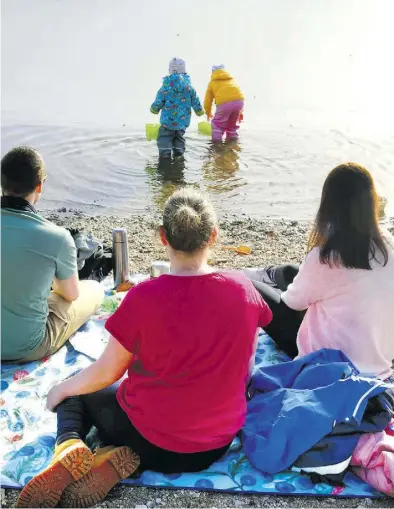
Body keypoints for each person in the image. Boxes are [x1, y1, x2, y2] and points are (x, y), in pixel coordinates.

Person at [17, 189, 272, 508]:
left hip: (150, 437)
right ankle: (112, 459)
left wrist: (59, 390)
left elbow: (106, 372)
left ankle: (69, 446)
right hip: (214, 446)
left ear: (163, 237)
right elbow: (246, 365)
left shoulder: (143, 298)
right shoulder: (242, 289)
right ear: (214, 236)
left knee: (77, 390)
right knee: (127, 408)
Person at [250, 163, 394, 380]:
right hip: (378, 361)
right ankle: (275, 275)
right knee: (292, 272)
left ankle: (254, 279)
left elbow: (292, 303)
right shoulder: (388, 244)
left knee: (256, 290)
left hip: (329, 365)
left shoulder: (327, 257)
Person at [1, 147, 104, 363]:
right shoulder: (56, 237)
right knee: (93, 289)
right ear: (39, 186)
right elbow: (70, 295)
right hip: (26, 347)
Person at [150, 57, 204, 159]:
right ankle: (179, 154)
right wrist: (199, 111)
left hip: (167, 123)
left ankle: (165, 155)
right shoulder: (189, 88)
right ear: (184, 71)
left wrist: (154, 109)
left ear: (170, 71)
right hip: (182, 123)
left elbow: (159, 101)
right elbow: (195, 101)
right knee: (179, 138)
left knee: (164, 138)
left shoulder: (166, 87)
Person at [204, 64, 244, 142]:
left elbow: (207, 101)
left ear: (213, 72)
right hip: (239, 102)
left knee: (217, 125)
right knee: (231, 126)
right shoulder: (231, 80)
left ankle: (216, 146)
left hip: (224, 104)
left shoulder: (212, 83)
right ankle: (233, 143)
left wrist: (208, 113)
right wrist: (240, 112)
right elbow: (237, 96)